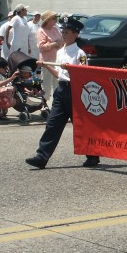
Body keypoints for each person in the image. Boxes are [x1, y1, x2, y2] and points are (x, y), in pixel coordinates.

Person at [25, 17, 100, 169]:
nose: (63, 34)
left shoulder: (80, 54)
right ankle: (42, 157)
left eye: (67, 32)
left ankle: (92, 155)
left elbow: (85, 75)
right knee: (53, 124)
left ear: (75, 34)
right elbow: (59, 75)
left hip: (75, 91)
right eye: (63, 31)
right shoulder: (61, 51)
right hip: (61, 90)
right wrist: (45, 66)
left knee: (81, 125)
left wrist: (71, 69)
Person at [36, 10, 64, 103]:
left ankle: (56, 104)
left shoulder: (55, 29)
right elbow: (41, 47)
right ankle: (44, 104)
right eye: (53, 18)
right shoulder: (41, 31)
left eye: (56, 18)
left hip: (57, 60)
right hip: (47, 61)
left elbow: (61, 40)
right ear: (47, 20)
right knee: (46, 84)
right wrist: (54, 44)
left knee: (57, 83)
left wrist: (60, 43)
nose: (55, 21)